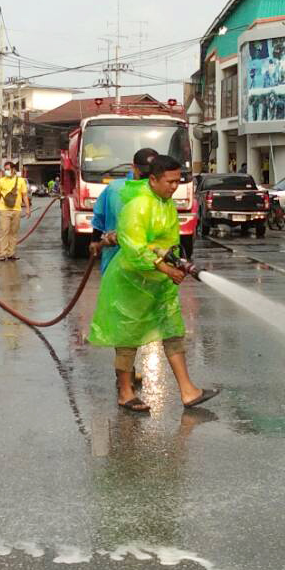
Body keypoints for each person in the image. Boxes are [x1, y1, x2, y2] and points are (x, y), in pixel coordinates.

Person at [88, 155, 218, 413]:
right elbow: (135, 250)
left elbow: (168, 242)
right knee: (127, 337)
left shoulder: (166, 204)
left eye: (178, 181)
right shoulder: (138, 206)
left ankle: (188, 391)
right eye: (170, 182)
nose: (174, 187)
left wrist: (177, 263)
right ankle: (125, 393)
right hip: (131, 282)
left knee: (173, 331)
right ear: (153, 179)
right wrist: (167, 268)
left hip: (159, 282)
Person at [89, 146, 159, 274]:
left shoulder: (114, 188)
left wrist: (95, 241)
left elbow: (99, 218)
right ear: (134, 168)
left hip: (145, 258)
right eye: (145, 172)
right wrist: (95, 241)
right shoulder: (115, 189)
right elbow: (100, 217)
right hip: (120, 256)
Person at [0, 161, 29, 261]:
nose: (6, 171)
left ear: (13, 169)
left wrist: (27, 208)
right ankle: (3, 254)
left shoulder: (21, 181)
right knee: (4, 231)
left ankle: (11, 253)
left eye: (8, 169)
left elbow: (24, 195)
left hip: (16, 210)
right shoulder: (1, 181)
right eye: (5, 169)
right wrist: (3, 202)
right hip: (4, 210)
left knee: (13, 232)